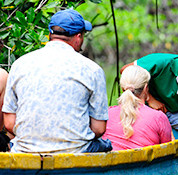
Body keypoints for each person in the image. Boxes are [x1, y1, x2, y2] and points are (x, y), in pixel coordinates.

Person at [2, 9, 111, 153]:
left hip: (26, 150)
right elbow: (98, 129)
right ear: (78, 37)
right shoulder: (93, 70)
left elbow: (9, 123)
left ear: (50, 35)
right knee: (106, 145)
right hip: (76, 151)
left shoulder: (20, 64)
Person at [102, 65, 172, 150]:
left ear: (122, 88)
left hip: (111, 161)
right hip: (146, 163)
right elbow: (169, 151)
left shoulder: (107, 113)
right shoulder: (158, 118)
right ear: (146, 88)